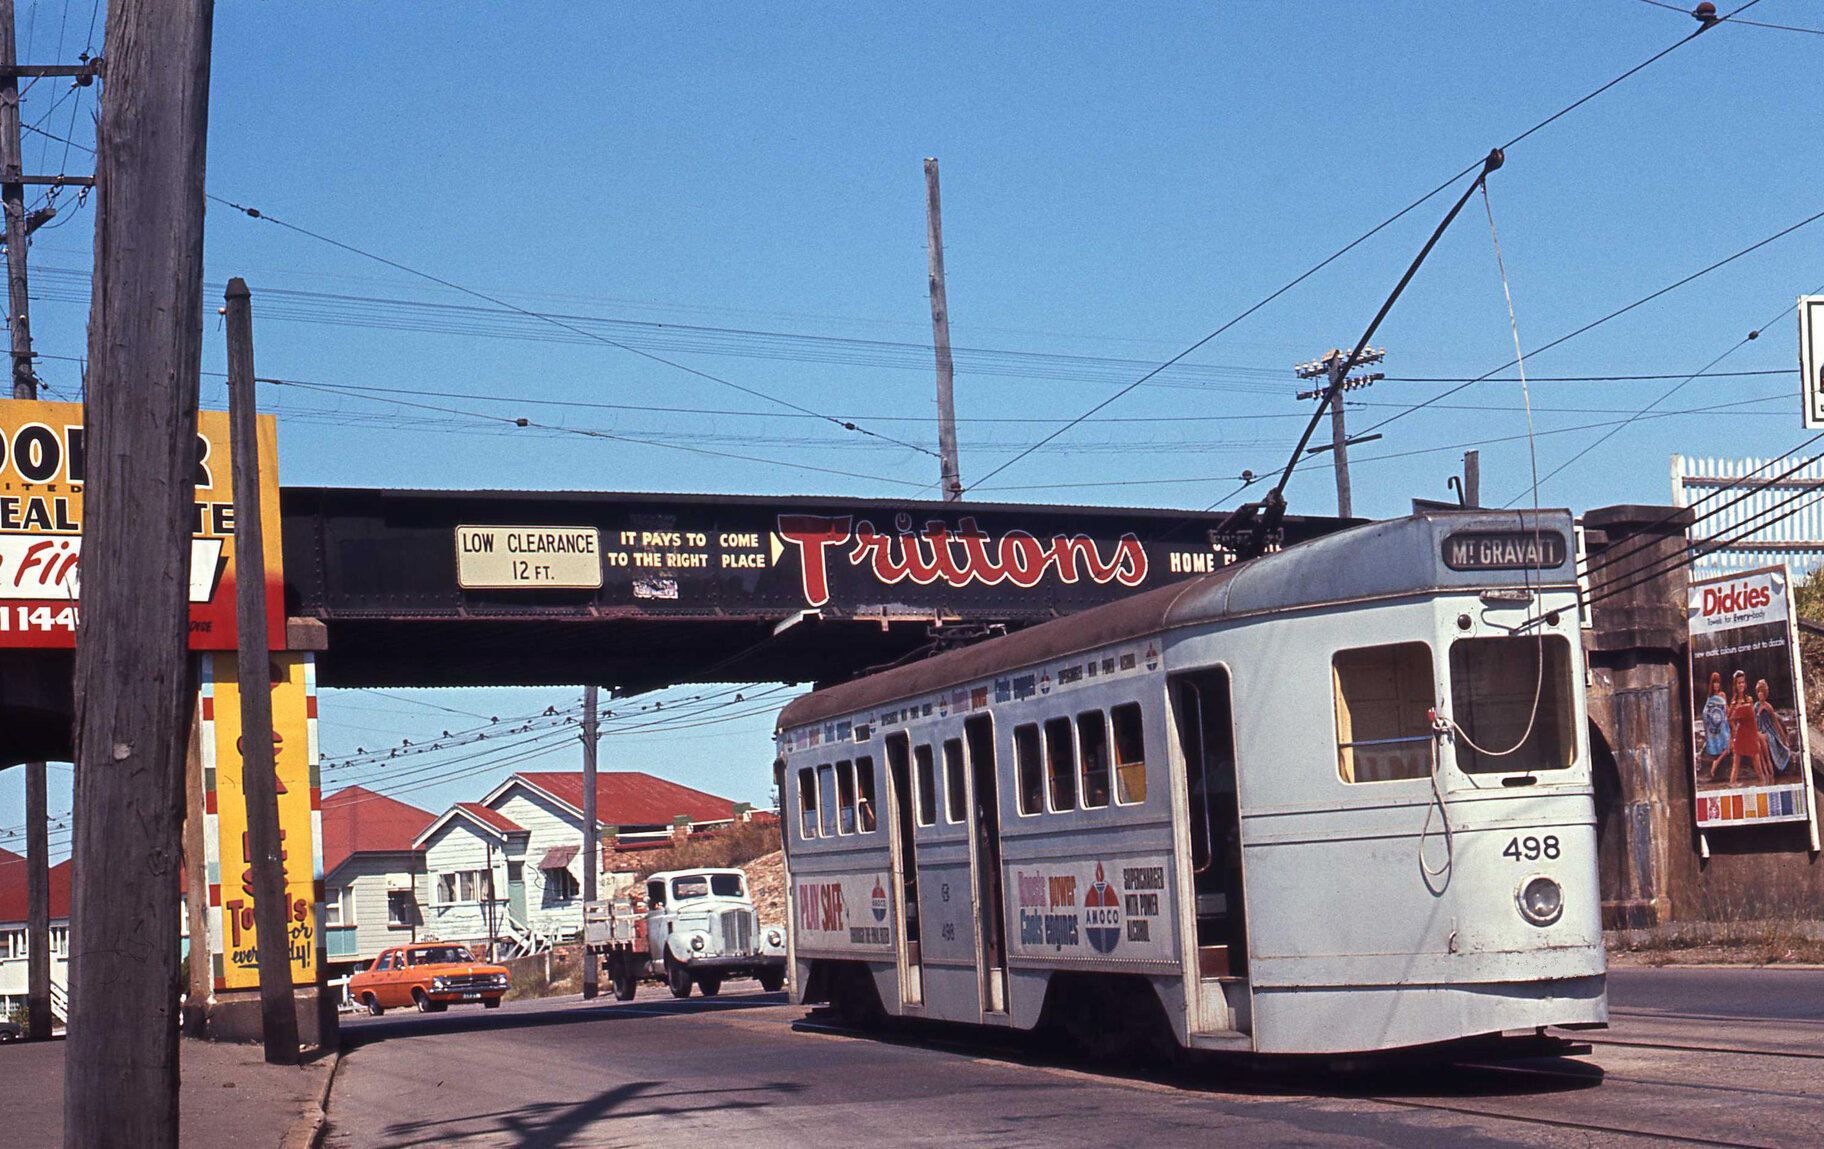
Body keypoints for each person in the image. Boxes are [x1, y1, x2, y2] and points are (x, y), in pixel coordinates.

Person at [1726, 670, 1762, 787]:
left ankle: (1763, 786)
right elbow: (1729, 719)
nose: (1741, 685)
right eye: (1738, 683)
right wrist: (1734, 730)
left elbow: (1753, 718)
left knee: (1757, 764)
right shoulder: (1734, 702)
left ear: (1745, 684)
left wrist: (1756, 735)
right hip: (1740, 734)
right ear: (1735, 685)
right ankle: (1732, 786)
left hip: (1751, 734)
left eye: (1742, 682)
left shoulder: (1749, 699)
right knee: (1735, 765)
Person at [1754, 678, 1793, 781]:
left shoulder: (1768, 707)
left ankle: (1769, 765)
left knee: (1760, 738)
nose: (1760, 694)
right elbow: (1754, 721)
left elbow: (1776, 723)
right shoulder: (1756, 706)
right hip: (1760, 731)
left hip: (1770, 733)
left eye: (1762, 692)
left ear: (1765, 694)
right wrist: (1758, 713)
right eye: (1758, 692)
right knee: (1757, 740)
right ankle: (1766, 771)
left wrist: (1784, 740)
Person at [1699, 671, 1730, 782]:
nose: (1716, 685)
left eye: (1718, 682)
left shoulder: (1722, 695)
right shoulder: (1710, 697)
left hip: (1723, 725)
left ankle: (1716, 762)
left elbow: (1727, 711)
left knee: (1728, 746)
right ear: (1711, 684)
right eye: (1714, 682)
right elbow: (1705, 713)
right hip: (1714, 727)